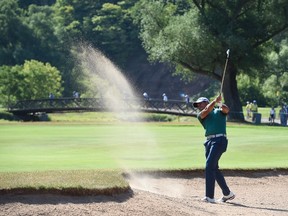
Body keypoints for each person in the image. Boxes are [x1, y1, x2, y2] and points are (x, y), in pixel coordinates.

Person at [193, 94, 235, 203]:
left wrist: (219, 103)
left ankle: (209, 196)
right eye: (197, 105)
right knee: (214, 168)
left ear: (206, 102)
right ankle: (227, 193)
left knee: (209, 165)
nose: (199, 106)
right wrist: (214, 101)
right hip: (208, 141)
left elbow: (226, 110)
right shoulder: (201, 115)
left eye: (200, 103)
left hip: (219, 140)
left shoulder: (219, 111)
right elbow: (207, 110)